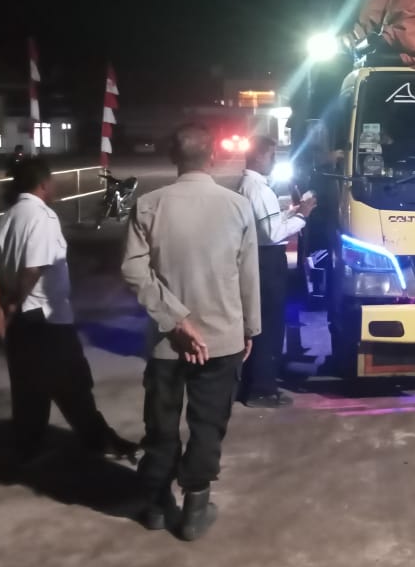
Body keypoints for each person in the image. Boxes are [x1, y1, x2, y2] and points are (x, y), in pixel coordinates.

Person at [122, 124, 261, 540]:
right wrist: (250, 328)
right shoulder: (237, 206)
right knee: (208, 424)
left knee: (162, 423)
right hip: (221, 340)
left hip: (167, 343)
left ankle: (156, 504)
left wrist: (175, 319)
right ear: (213, 157)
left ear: (173, 157)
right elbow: (248, 277)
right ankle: (195, 510)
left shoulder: (149, 205)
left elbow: (134, 270)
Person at [0, 157, 138, 466]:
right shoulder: (42, 217)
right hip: (46, 319)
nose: (54, 187)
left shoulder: (4, 220)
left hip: (21, 323)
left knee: (28, 389)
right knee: (75, 384)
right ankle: (99, 441)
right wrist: (14, 303)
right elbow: (33, 269)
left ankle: (28, 448)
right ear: (43, 185)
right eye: (52, 182)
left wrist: (0, 316)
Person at [237, 136, 316, 408]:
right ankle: (261, 389)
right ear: (259, 156)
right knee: (269, 326)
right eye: (272, 155)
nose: (274, 161)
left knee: (259, 323)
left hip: (258, 258)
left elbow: (268, 223)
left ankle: (253, 383)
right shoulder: (259, 190)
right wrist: (302, 216)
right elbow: (272, 233)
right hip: (267, 261)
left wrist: (291, 212)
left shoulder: (250, 186)